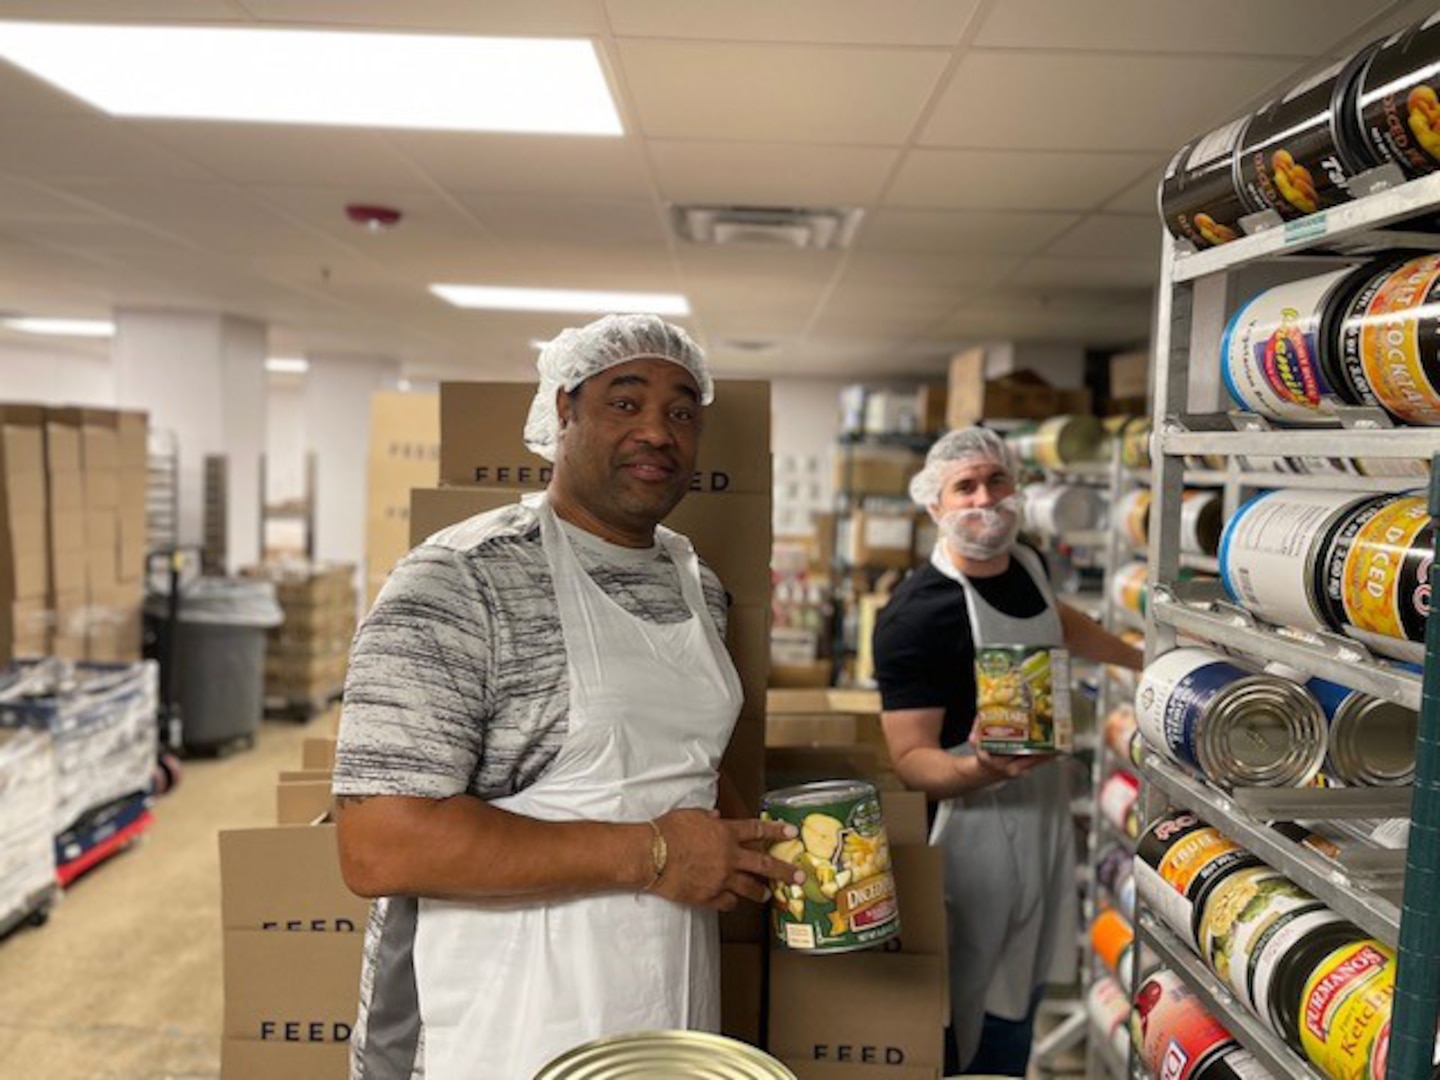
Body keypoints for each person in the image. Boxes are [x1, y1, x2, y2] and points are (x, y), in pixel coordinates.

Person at [331, 314, 800, 1080]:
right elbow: (380, 844)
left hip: (661, 1003)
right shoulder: (459, 580)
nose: (658, 431)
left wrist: (757, 850)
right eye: (625, 401)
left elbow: (678, 760)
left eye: (682, 412)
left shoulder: (697, 587)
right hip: (496, 1021)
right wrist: (654, 853)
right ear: (563, 411)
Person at [871, 426, 1143, 1077]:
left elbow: (1054, 618)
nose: (984, 498)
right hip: (971, 836)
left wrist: (1139, 659)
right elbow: (911, 761)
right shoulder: (916, 616)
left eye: (997, 480)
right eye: (964, 487)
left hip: (1042, 813)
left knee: (1021, 990)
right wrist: (980, 768)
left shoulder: (1027, 562)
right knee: (966, 1005)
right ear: (934, 503)